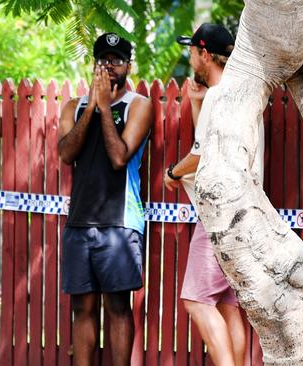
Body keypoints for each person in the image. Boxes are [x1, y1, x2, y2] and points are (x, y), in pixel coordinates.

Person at [165, 23, 264, 366]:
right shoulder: (238, 96)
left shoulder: (218, 97)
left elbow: (199, 156)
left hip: (218, 215)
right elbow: (209, 143)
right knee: (226, 303)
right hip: (246, 214)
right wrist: (196, 103)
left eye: (192, 50)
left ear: (204, 54)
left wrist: (172, 173)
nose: (190, 56)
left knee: (196, 301)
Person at [58, 32, 153, 366]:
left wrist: (104, 107)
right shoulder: (73, 106)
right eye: (103, 60)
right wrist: (91, 109)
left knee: (117, 307)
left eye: (116, 60)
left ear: (128, 65)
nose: (109, 67)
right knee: (81, 309)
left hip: (120, 224)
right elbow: (67, 153)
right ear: (94, 65)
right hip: (79, 222)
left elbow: (118, 157)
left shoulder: (138, 105)